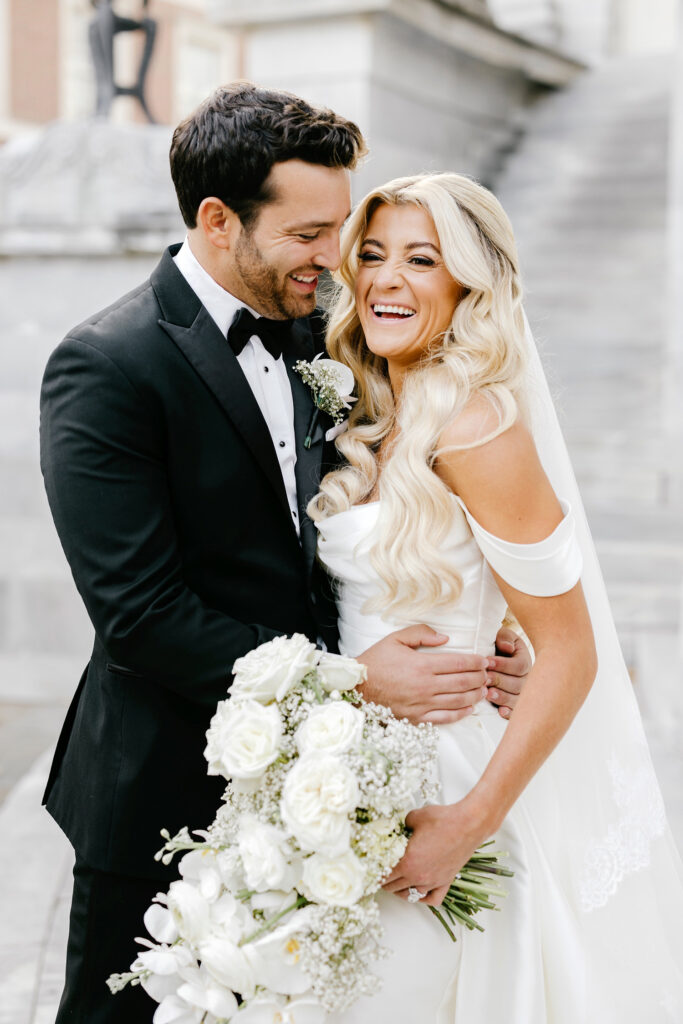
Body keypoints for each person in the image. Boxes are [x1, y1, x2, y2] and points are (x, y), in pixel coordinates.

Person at [39, 86, 530, 1023]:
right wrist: (349, 682)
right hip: (163, 784)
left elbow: (393, 508)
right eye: (310, 233)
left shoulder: (332, 332)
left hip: (333, 795)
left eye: (340, 226)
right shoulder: (105, 364)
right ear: (219, 222)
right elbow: (140, 614)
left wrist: (496, 624)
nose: (335, 256)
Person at [309, 172, 683, 1023]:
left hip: (447, 778)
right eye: (370, 256)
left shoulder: (475, 428)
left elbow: (575, 650)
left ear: (467, 285)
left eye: (420, 259)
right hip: (351, 766)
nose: (385, 280)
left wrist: (466, 822)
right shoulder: (372, 414)